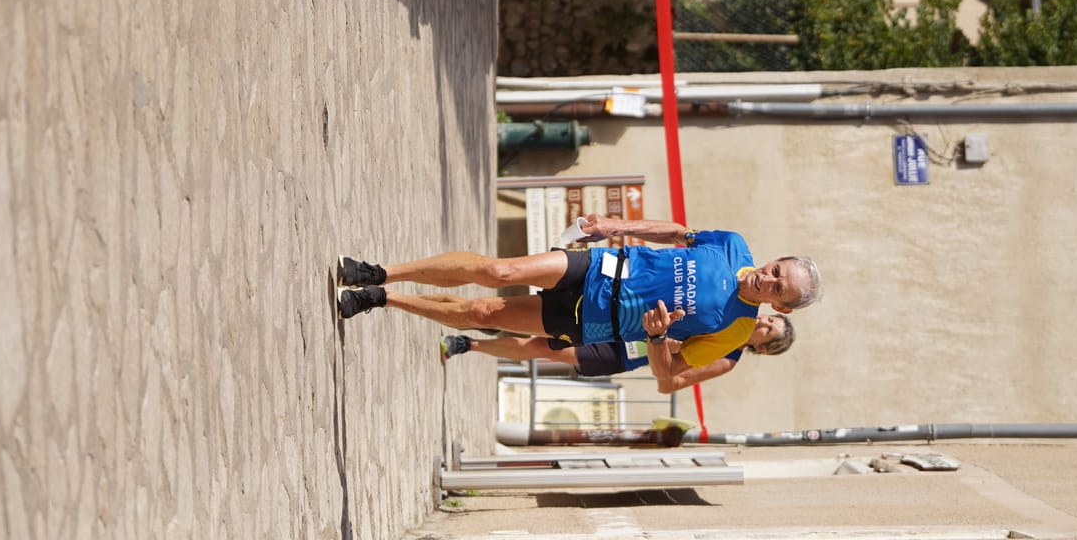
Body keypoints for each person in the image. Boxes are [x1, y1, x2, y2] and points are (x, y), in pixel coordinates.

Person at [334, 214, 822, 351]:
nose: (769, 280)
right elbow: (678, 232)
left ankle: (383, 298)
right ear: (775, 259)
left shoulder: (735, 330)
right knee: (496, 272)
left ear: (782, 309)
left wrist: (654, 338)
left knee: (483, 315)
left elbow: (666, 378)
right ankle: (381, 271)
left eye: (779, 289)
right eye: (777, 271)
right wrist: (616, 228)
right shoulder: (732, 244)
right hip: (599, 267)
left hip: (594, 322)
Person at [436, 302, 795, 394]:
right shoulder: (730, 313)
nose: (762, 323)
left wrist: (667, 349)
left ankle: (470, 344)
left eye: (768, 331)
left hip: (625, 352)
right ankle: (483, 320)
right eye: (768, 320)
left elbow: (670, 382)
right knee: (544, 324)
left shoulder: (727, 359)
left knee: (544, 348)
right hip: (627, 320)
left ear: (762, 350)